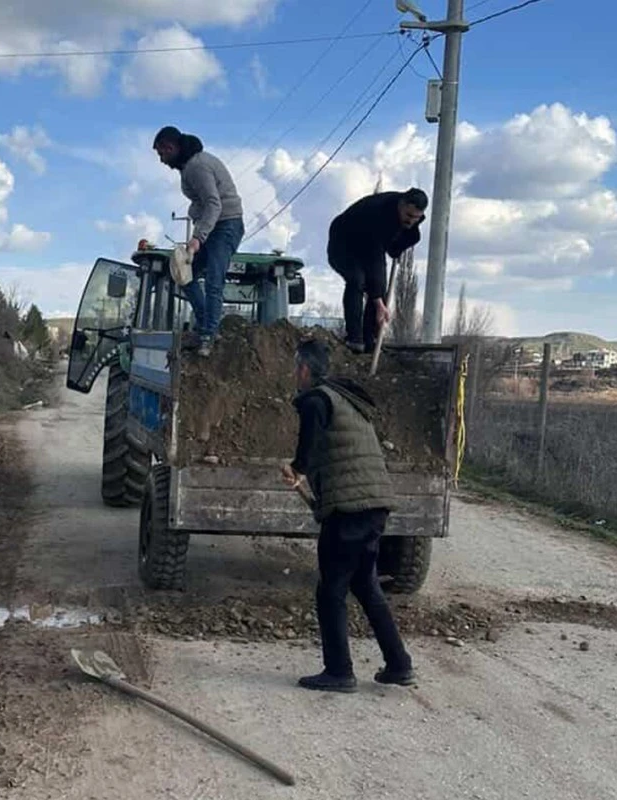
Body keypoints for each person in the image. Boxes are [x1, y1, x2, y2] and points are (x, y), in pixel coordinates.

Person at [280, 339, 415, 692]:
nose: (294, 374)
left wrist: (297, 468)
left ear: (304, 369)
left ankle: (339, 672)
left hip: (349, 510)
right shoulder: (346, 399)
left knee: (331, 590)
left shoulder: (316, 400)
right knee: (366, 586)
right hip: (374, 504)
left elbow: (308, 445)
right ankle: (399, 664)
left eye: (296, 367)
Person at [153, 125, 245, 356]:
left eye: (162, 154)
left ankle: (208, 336)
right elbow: (201, 201)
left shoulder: (197, 166)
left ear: (171, 147)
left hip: (227, 224)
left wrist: (197, 238)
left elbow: (214, 203)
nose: (161, 160)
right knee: (186, 275)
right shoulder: (188, 168)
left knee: (214, 279)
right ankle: (206, 325)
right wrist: (195, 214)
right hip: (214, 225)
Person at [327, 187, 428, 354]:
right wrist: (378, 301)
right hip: (343, 242)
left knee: (379, 289)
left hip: (369, 246)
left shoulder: (410, 225)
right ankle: (354, 339)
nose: (411, 221)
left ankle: (370, 340)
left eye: (416, 218)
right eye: (408, 215)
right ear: (401, 205)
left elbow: (393, 248)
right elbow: (374, 259)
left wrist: (398, 248)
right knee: (357, 280)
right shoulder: (378, 212)